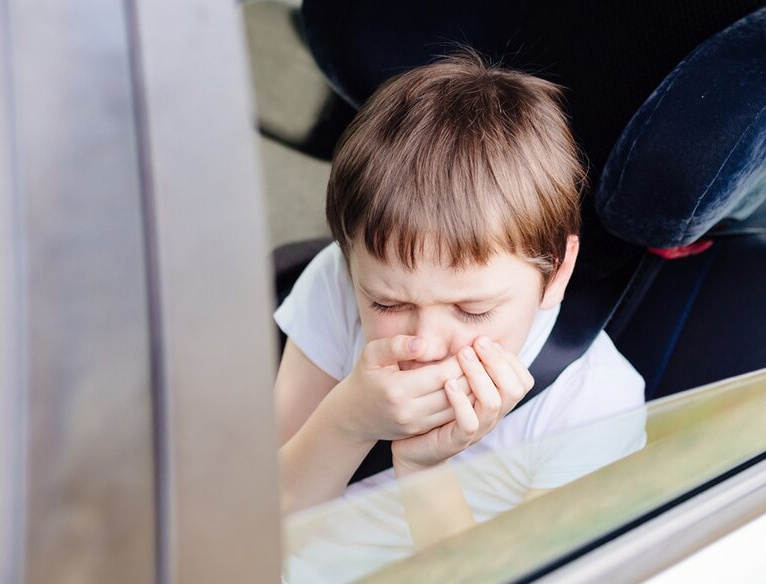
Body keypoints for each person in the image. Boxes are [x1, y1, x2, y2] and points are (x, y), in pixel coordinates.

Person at [274, 50, 646, 548]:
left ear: (556, 271)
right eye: (387, 304)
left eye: (472, 311)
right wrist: (348, 421)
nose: (426, 344)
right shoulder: (335, 287)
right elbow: (261, 530)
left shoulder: (595, 406)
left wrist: (424, 468)